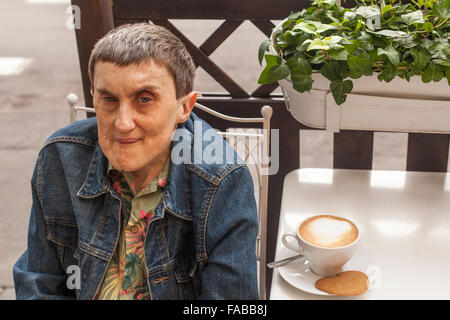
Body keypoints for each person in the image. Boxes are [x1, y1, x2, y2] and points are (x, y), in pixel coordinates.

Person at [13, 23, 259, 300]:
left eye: (144, 99)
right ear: (93, 96)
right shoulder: (61, 158)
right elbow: (39, 281)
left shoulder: (221, 180)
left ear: (184, 108)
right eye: (109, 99)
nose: (122, 123)